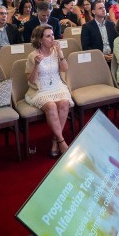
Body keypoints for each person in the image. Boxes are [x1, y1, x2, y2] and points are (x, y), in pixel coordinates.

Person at [24, 26, 73, 157]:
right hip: (41, 89)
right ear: (40, 39)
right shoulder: (32, 56)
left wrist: (61, 53)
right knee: (51, 105)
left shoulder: (56, 51)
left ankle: (55, 140)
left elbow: (65, 69)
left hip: (58, 85)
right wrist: (36, 64)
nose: (52, 38)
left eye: (52, 35)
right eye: (48, 36)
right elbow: (31, 80)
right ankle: (61, 141)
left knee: (64, 103)